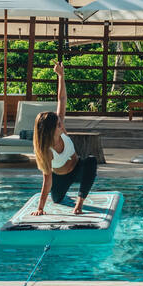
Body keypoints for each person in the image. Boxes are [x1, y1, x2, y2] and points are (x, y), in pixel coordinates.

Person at [32, 60, 98, 215]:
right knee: (57, 199)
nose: (62, 124)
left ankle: (79, 204)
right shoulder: (46, 151)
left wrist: (61, 76)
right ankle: (64, 195)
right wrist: (40, 208)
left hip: (77, 169)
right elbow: (47, 181)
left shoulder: (61, 128)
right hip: (60, 178)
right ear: (50, 130)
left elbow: (61, 100)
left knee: (91, 161)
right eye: (58, 125)